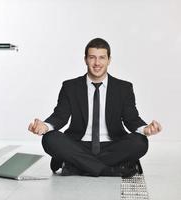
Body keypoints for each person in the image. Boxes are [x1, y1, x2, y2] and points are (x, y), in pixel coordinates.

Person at [28, 38, 162, 177]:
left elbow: (131, 118)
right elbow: (60, 116)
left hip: (112, 145)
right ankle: (108, 170)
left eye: (102, 58)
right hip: (78, 145)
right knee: (50, 139)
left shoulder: (124, 88)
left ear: (109, 60)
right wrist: (45, 126)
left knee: (140, 142)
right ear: (85, 59)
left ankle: (76, 166)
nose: (97, 63)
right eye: (92, 57)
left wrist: (145, 129)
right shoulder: (70, 87)